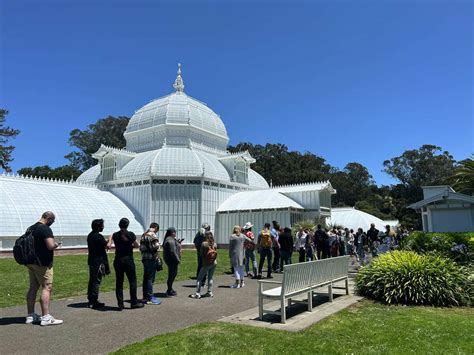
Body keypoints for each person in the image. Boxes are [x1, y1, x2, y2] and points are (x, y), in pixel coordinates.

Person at [25, 211, 63, 326]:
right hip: (42, 263)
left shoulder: (30, 228)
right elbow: (50, 245)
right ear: (49, 218)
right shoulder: (45, 229)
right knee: (47, 287)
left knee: (33, 287)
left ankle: (30, 315)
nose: (52, 223)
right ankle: (46, 317)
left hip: (31, 262)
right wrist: (57, 244)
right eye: (53, 220)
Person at [108, 218, 143, 310]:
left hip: (118, 260)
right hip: (128, 260)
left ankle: (120, 304)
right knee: (132, 281)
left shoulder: (115, 235)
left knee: (119, 282)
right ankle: (134, 302)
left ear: (119, 225)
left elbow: (112, 240)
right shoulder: (131, 234)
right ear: (127, 225)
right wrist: (130, 245)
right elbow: (137, 245)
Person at [87, 218, 110, 309]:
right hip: (98, 261)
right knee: (96, 280)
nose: (103, 227)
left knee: (92, 280)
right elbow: (107, 246)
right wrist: (110, 238)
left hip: (92, 260)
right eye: (102, 226)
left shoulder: (90, 235)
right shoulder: (98, 236)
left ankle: (91, 299)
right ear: (98, 227)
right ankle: (93, 300)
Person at [190, 231, 217, 298]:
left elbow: (201, 254)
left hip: (206, 263)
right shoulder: (214, 244)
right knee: (210, 278)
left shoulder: (204, 244)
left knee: (199, 278)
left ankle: (197, 293)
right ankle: (209, 292)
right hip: (213, 262)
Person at [140, 222, 161, 305]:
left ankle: (145, 296)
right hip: (151, 258)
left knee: (145, 278)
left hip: (144, 257)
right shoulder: (152, 235)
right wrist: (158, 245)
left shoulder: (143, 235)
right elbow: (156, 247)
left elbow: (140, 247)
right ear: (155, 228)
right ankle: (150, 296)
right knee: (150, 278)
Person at [162, 227, 181, 296]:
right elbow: (172, 251)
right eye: (174, 232)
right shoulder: (170, 240)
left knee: (173, 274)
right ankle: (169, 290)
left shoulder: (170, 239)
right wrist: (177, 259)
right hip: (172, 260)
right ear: (172, 233)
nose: (175, 233)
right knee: (172, 274)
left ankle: (170, 289)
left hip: (170, 260)